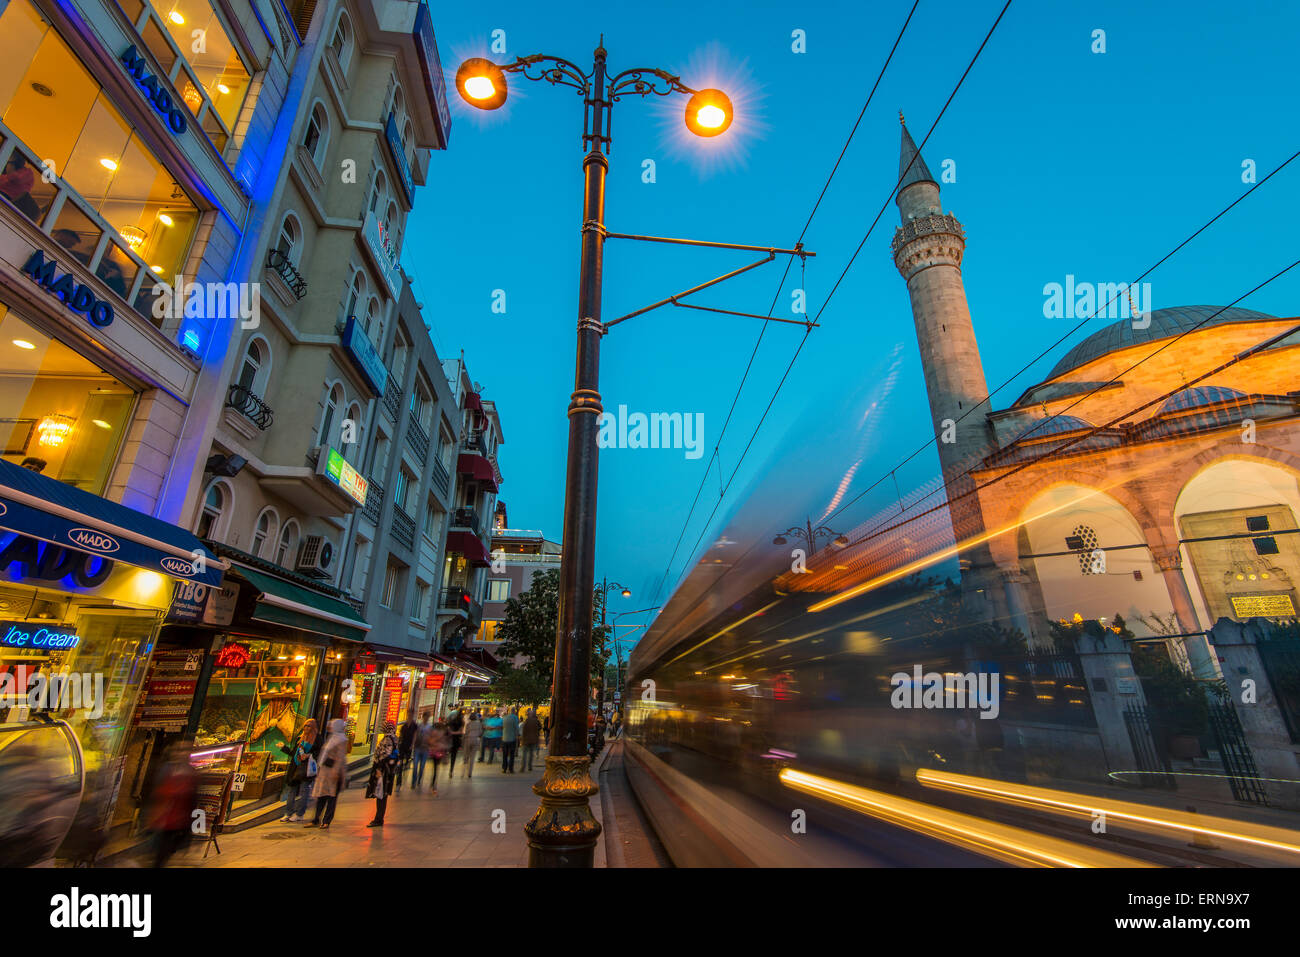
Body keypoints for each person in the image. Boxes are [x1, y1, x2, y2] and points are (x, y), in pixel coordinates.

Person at [142, 743, 198, 867]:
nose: (181, 753)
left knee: (165, 849)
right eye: (178, 750)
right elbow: (154, 793)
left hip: (179, 818)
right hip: (162, 816)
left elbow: (194, 798)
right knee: (159, 850)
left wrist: (195, 823)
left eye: (184, 750)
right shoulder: (163, 769)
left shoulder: (191, 772)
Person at [310, 718, 348, 829]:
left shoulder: (341, 740)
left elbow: (340, 758)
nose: (330, 727)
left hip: (333, 773)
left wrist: (336, 772)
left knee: (331, 798)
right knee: (321, 796)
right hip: (325, 772)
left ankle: (326, 821)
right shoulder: (332, 738)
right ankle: (316, 819)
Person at [280, 718, 319, 822]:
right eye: (305, 725)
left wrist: (309, 755)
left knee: (304, 791)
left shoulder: (316, 739)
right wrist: (284, 748)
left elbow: (319, 753)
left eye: (309, 726)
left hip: (306, 769)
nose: (306, 728)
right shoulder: (300, 738)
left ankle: (299, 814)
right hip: (296, 767)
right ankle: (288, 813)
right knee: (292, 790)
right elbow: (294, 753)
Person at [365, 721, 399, 827]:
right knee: (382, 795)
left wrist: (379, 769)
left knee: (380, 794)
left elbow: (384, 755)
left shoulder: (388, 740)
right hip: (388, 772)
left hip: (383, 772)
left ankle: (378, 819)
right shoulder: (395, 739)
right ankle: (379, 818)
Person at [426, 718, 451, 795]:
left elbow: (430, 741)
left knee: (435, 769)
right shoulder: (440, 733)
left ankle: (433, 784)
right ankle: (434, 785)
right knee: (436, 769)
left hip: (435, 753)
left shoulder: (436, 732)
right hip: (438, 753)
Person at [395, 715, 418, 791]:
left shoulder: (414, 725)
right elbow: (400, 736)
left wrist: (412, 745)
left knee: (406, 762)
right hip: (402, 747)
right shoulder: (404, 726)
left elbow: (415, 735)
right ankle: (398, 783)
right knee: (400, 765)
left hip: (409, 747)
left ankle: (406, 765)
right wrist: (398, 745)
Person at [411, 715, 432, 789]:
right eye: (425, 717)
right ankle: (414, 782)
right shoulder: (419, 725)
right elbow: (415, 735)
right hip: (418, 747)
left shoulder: (430, 727)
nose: (426, 719)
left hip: (425, 749)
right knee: (415, 766)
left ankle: (419, 780)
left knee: (422, 767)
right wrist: (413, 744)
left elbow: (431, 737)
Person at [462, 711, 483, 778]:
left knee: (466, 756)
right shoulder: (479, 724)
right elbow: (480, 733)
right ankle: (470, 773)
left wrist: (463, 740)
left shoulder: (468, 724)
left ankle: (463, 772)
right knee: (472, 757)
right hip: (476, 740)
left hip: (468, 739)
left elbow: (466, 732)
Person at [520, 708, 541, 773]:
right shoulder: (536, 721)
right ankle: (529, 766)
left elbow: (524, 731)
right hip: (533, 740)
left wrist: (522, 739)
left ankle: (523, 767)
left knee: (524, 754)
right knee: (531, 754)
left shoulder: (526, 721)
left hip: (526, 740)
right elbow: (538, 730)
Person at [446, 706, 465, 775]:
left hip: (450, 738)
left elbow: (447, 725)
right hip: (456, 739)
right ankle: (451, 769)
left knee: (448, 751)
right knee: (454, 755)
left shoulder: (452, 720)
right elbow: (461, 731)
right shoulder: (462, 722)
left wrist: (450, 732)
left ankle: (446, 761)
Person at [500, 706, 519, 773]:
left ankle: (504, 768)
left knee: (505, 754)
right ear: (514, 711)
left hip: (504, 738)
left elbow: (502, 727)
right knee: (511, 754)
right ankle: (510, 768)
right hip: (512, 738)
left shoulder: (505, 718)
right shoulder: (515, 718)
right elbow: (516, 728)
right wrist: (517, 735)